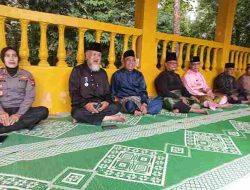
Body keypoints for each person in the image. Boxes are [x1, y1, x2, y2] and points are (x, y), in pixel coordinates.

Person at [69, 42, 126, 125]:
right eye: (94, 54)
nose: (97, 58)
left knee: (117, 106)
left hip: (100, 106)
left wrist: (106, 102)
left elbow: (107, 93)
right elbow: (74, 92)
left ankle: (88, 118)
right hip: (84, 106)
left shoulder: (103, 73)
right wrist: (86, 105)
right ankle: (108, 118)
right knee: (76, 112)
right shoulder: (77, 70)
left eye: (99, 55)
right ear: (87, 56)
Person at [0, 47, 49, 134]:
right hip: (3, 109)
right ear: (3, 59)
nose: (11, 58)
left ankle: (5, 128)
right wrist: (1, 112)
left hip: (21, 110)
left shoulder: (26, 75)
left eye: (14, 56)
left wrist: (18, 114)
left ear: (18, 59)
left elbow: (29, 97)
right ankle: (26, 124)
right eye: (7, 56)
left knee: (43, 111)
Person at [111, 50, 162, 116]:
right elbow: (112, 92)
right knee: (129, 104)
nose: (131, 62)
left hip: (139, 99)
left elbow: (143, 91)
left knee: (158, 101)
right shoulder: (117, 75)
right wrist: (116, 101)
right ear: (123, 61)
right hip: (126, 100)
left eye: (133, 60)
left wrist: (144, 103)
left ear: (135, 62)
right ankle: (137, 110)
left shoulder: (139, 74)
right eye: (128, 60)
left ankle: (141, 110)